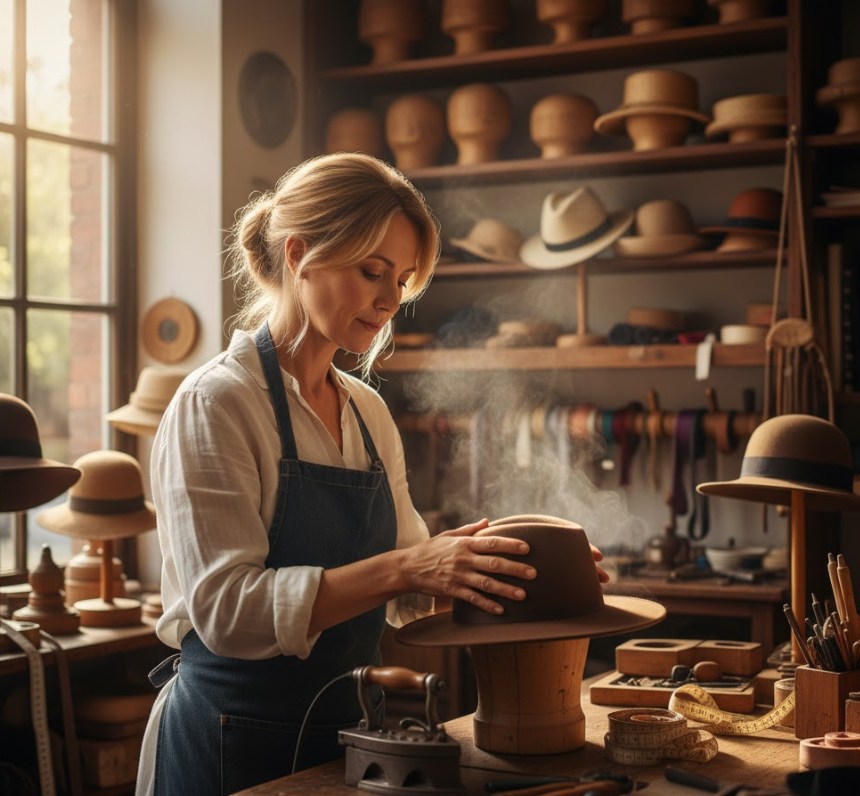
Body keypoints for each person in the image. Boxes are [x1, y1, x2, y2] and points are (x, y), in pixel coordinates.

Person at [136, 152, 607, 795]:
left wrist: (513, 572)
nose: (391, 301)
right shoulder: (217, 403)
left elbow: (408, 596)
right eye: (372, 271)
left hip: (349, 736)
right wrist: (409, 568)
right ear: (300, 255)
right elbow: (228, 612)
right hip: (229, 741)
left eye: (403, 280)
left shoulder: (367, 411)